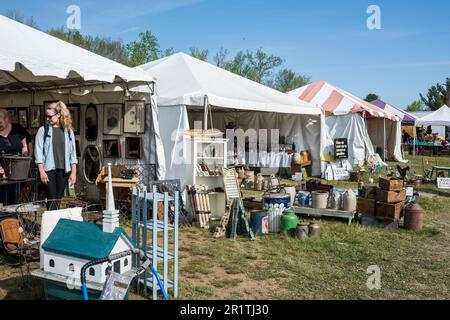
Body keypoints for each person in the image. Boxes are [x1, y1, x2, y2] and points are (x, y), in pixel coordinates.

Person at [34, 101, 78, 209]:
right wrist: (41, 171)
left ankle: (54, 223)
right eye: (46, 116)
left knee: (57, 200)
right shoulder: (43, 130)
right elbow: (38, 153)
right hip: (48, 170)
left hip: (64, 171)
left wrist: (73, 172)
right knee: (52, 199)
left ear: (58, 115)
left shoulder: (68, 131)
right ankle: (51, 224)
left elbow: (73, 154)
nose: (47, 119)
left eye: (49, 116)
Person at [0, 109, 29, 204]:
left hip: (18, 170)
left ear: (7, 119)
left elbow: (25, 147)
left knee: (15, 197)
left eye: (0, 122)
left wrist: (25, 159)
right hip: (1, 172)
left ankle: (13, 217)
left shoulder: (17, 129)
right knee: (3, 198)